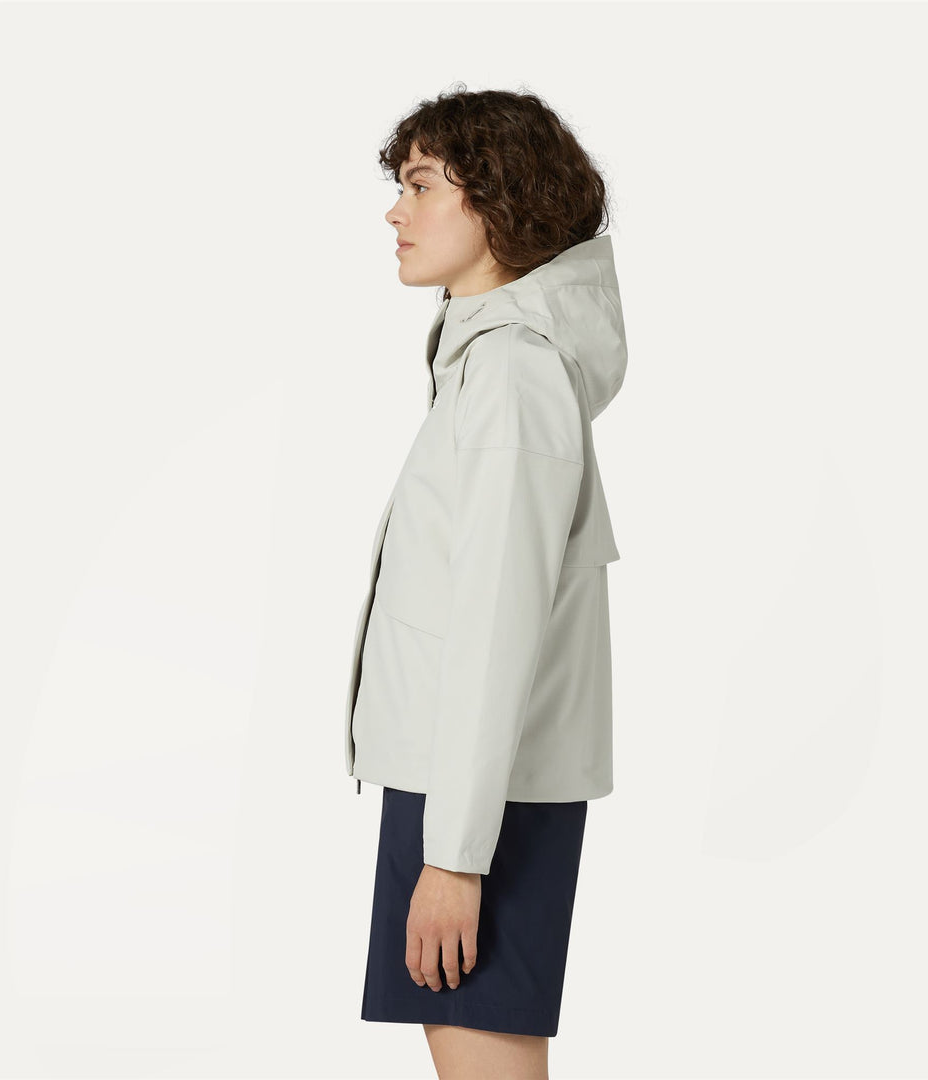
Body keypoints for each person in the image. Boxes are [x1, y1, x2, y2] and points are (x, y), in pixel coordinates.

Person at [344, 84, 627, 1080]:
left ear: (499, 199)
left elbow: (498, 624)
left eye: (422, 185)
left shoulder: (511, 374)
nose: (396, 210)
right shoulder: (489, 365)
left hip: (477, 797)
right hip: (464, 784)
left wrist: (456, 855)